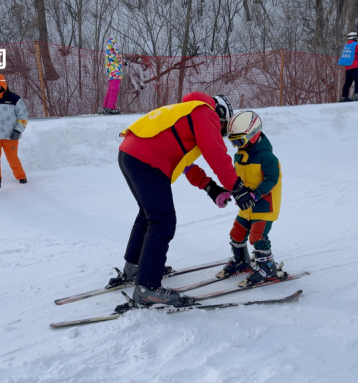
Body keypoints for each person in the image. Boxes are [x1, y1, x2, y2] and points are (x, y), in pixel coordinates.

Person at [116, 92, 257, 306]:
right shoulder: (204, 112)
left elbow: (186, 164)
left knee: (148, 215)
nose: (221, 133)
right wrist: (237, 188)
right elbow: (216, 154)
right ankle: (148, 288)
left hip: (130, 154)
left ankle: (134, 268)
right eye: (224, 127)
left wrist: (210, 187)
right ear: (220, 114)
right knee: (162, 221)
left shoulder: (187, 114)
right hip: (146, 160)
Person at [184, 111, 284, 287]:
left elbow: (272, 179)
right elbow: (237, 178)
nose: (236, 145)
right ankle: (241, 261)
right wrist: (228, 191)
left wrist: (256, 194)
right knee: (236, 233)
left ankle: (268, 267)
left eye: (239, 141)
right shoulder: (240, 154)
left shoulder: (267, 157)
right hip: (246, 205)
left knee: (257, 236)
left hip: (264, 205)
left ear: (253, 136)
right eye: (233, 142)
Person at [0, 73, 29, 188]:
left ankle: (21, 176)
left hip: (10, 135)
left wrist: (18, 130)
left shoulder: (14, 99)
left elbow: (23, 116)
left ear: (3, 84)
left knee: (12, 158)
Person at [338, 32, 358, 102]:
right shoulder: (356, 45)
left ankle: (344, 96)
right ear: (354, 37)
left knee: (348, 82)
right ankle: (357, 95)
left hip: (347, 67)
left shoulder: (346, 45)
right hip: (355, 66)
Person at [101, 37, 123, 114]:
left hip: (111, 74)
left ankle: (106, 106)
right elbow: (118, 58)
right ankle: (110, 107)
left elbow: (116, 61)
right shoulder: (112, 53)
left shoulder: (108, 53)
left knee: (110, 91)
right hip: (115, 74)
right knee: (114, 91)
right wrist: (117, 49)